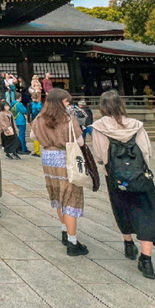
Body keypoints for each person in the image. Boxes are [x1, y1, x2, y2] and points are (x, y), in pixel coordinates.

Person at [91, 90, 155, 279]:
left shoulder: (99, 127)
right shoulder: (137, 125)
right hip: (140, 175)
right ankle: (146, 259)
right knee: (146, 212)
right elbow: (146, 150)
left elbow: (100, 154)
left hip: (116, 176)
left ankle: (129, 243)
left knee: (122, 208)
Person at [31, 88, 88, 256]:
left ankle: (64, 229)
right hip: (65, 158)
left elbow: (33, 136)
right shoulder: (68, 120)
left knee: (57, 193)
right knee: (70, 197)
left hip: (48, 157)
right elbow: (80, 141)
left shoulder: (39, 118)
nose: (68, 104)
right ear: (58, 102)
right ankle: (72, 241)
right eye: (65, 101)